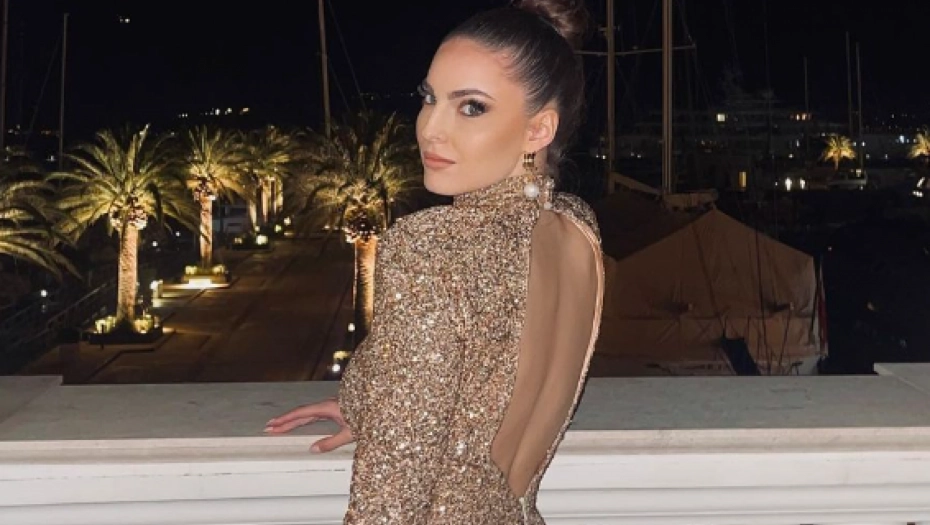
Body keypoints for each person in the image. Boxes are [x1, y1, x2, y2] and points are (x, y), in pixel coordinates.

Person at [264, 0, 604, 522]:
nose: (430, 129)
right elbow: (473, 384)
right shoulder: (577, 229)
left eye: (471, 107)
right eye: (429, 99)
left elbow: (390, 499)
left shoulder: (432, 248)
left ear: (538, 130)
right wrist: (374, 404)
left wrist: (395, 423)